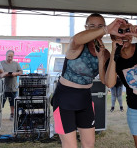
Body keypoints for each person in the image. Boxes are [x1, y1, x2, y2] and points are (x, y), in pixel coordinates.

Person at [51, 13, 126, 148]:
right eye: (92, 26)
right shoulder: (78, 44)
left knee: (89, 144)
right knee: (70, 145)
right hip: (64, 98)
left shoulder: (104, 51)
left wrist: (105, 56)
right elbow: (76, 39)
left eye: (100, 26)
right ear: (85, 27)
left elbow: (108, 82)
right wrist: (106, 29)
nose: (96, 29)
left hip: (84, 98)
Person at [1, 50, 23, 121]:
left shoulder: (16, 64)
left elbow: (21, 72)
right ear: (6, 55)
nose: (10, 58)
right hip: (2, 88)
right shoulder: (1, 63)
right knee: (0, 103)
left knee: (13, 103)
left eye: (11, 56)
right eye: (9, 56)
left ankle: (12, 115)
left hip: (13, 87)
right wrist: (4, 74)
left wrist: (15, 74)